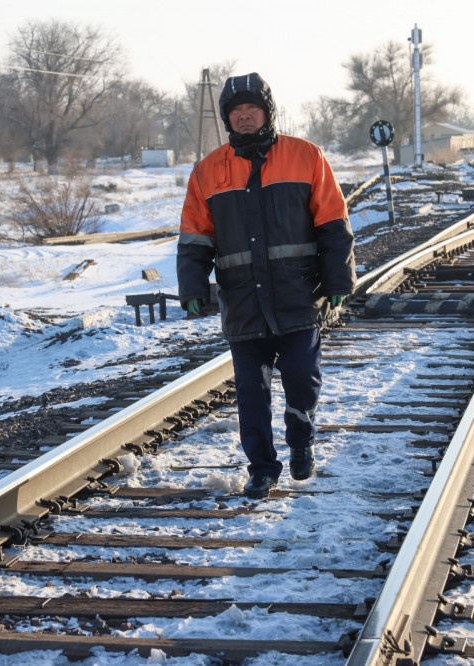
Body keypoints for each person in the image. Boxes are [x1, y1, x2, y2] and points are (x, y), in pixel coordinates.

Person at [176, 72, 355, 499]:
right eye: (235, 111)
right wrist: (192, 285)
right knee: (251, 394)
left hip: (299, 296)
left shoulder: (306, 156)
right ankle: (261, 468)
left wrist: (339, 280)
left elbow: (333, 224)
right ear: (226, 118)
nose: (243, 116)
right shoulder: (207, 171)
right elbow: (195, 236)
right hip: (243, 303)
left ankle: (300, 442)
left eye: (251, 109)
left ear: (267, 112)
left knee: (302, 378)